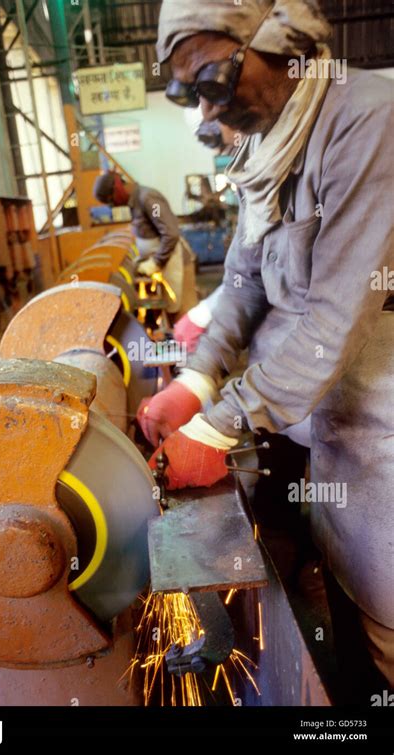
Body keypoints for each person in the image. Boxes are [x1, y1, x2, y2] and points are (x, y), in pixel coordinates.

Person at [137, 0, 394, 700]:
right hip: (325, 413)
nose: (208, 106)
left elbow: (334, 318)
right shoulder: (263, 143)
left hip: (382, 411)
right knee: (342, 586)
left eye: (215, 77)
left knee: (389, 615)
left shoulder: (366, 120)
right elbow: (246, 282)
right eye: (189, 91)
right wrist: (194, 380)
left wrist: (220, 424)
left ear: (281, 41)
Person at [93, 171, 198, 316]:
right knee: (174, 318)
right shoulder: (135, 203)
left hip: (177, 262)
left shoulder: (148, 199)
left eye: (112, 200)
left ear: (117, 189)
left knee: (187, 317)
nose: (114, 205)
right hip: (164, 266)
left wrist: (156, 261)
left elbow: (170, 233)